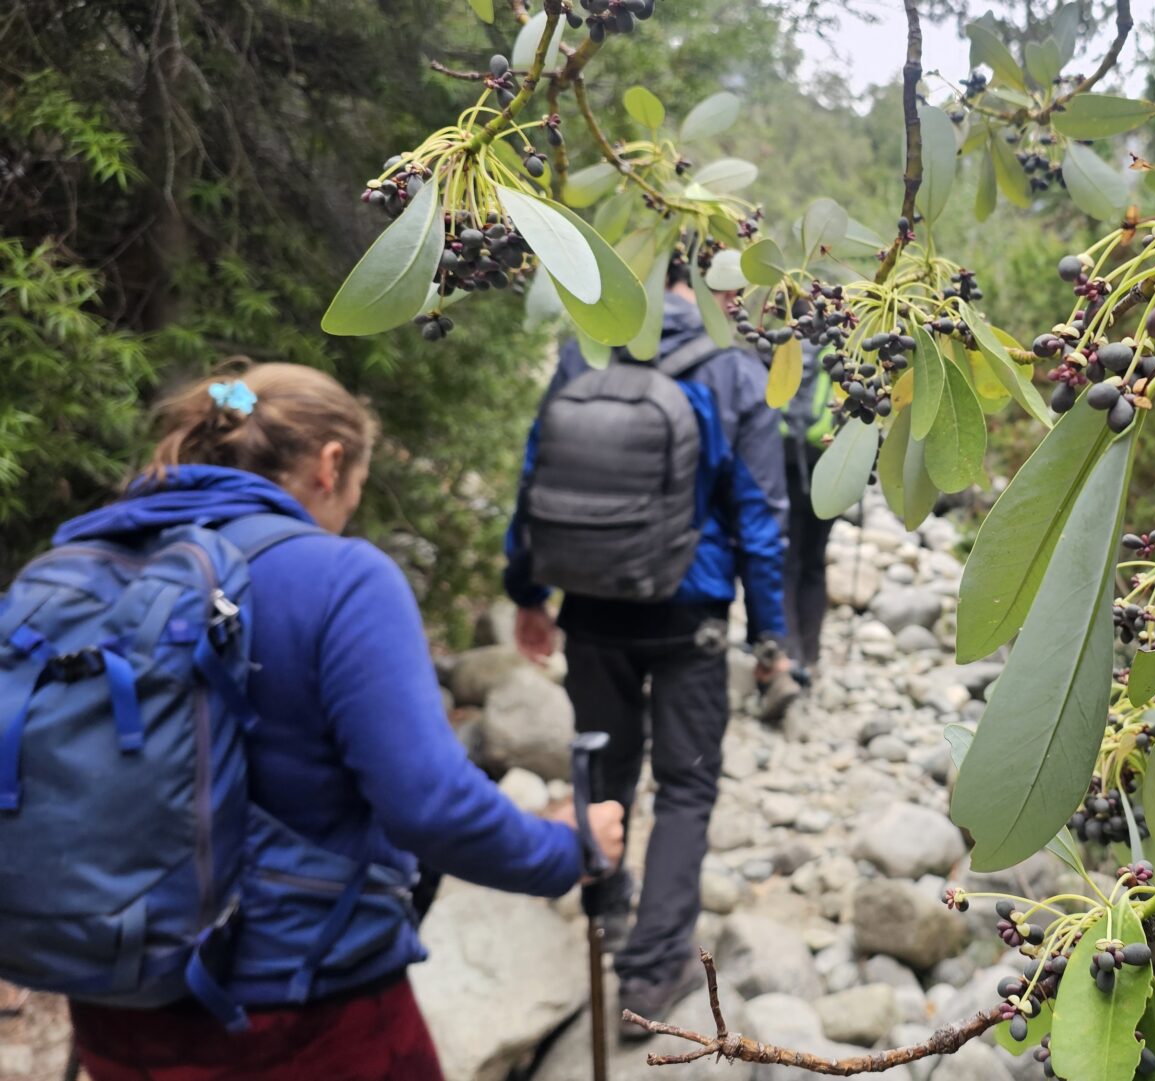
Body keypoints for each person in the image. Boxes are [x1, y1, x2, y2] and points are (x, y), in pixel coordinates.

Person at [37, 363, 624, 1081]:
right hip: (300, 1010)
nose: (350, 507)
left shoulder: (88, 562)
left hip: (113, 1005)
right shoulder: (338, 577)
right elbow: (431, 804)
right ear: (331, 463)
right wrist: (569, 848)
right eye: (357, 487)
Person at [505, 253, 790, 1030]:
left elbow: (537, 474)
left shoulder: (586, 345)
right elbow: (760, 515)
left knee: (602, 760)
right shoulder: (736, 365)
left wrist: (527, 590)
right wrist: (770, 635)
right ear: (711, 284)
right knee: (687, 785)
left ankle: (605, 910)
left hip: (589, 602)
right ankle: (653, 969)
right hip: (686, 608)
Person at [780, 342, 837, 679]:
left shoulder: (788, 343)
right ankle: (811, 653)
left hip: (784, 462)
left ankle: (789, 652)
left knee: (788, 561)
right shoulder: (841, 347)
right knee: (814, 562)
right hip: (826, 465)